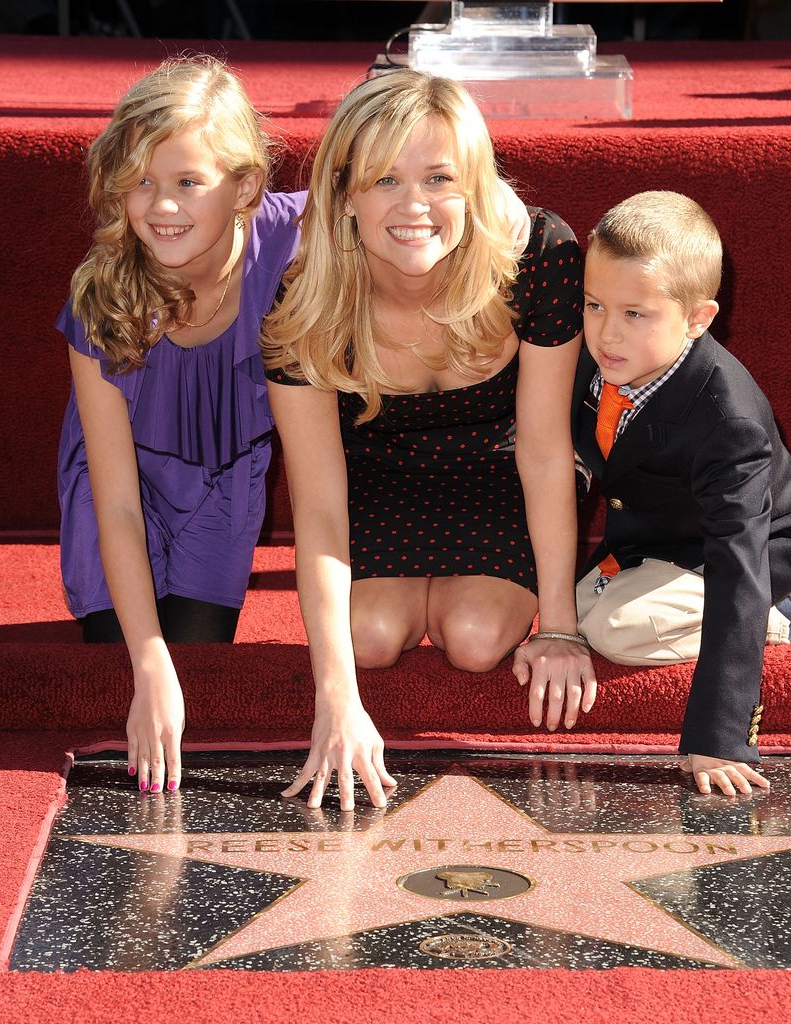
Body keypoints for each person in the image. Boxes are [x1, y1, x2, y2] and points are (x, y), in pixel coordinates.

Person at [262, 69, 595, 812]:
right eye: (384, 179)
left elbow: (545, 448)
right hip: (378, 472)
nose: (414, 206)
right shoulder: (303, 300)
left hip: (504, 464)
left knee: (478, 639)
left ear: (474, 184)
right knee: (369, 639)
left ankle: (465, 600)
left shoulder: (541, 255)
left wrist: (563, 628)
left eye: (439, 177)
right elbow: (316, 505)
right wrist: (335, 698)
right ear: (344, 194)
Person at [57, 56, 304, 794]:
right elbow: (118, 504)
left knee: (200, 669)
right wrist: (148, 659)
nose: (160, 206)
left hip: (226, 487)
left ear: (247, 186)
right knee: (131, 668)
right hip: (118, 488)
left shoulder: (293, 239)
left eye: (188, 182)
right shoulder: (103, 295)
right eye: (140, 183)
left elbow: (397, 188)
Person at [569, 190, 791, 797]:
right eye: (594, 304)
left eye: (636, 314)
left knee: (614, 629)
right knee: (570, 609)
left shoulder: (725, 416)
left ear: (697, 319)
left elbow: (737, 557)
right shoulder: (594, 357)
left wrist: (720, 734)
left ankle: (781, 612)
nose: (607, 332)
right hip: (660, 538)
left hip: (754, 547)